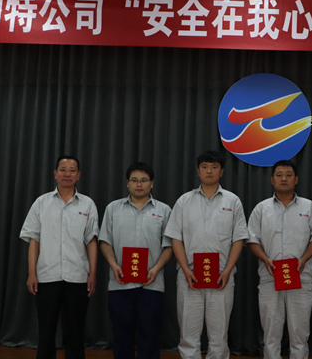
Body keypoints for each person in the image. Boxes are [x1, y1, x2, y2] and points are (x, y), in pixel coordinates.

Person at [164, 150, 248, 359]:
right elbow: (175, 238)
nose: (209, 171)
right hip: (189, 277)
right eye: (204, 166)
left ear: (222, 171)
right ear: (198, 171)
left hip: (221, 277)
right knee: (188, 336)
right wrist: (185, 269)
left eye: (214, 167)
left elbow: (238, 239)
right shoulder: (184, 201)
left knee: (219, 337)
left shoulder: (233, 201)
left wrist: (228, 270)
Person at [19, 155, 99, 359]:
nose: (67, 174)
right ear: (55, 174)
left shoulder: (88, 204)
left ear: (78, 175)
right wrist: (32, 273)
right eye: (63, 169)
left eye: (72, 170)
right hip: (47, 277)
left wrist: (92, 273)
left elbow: (91, 241)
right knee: (46, 332)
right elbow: (34, 240)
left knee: (76, 332)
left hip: (78, 277)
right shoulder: (41, 202)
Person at [247, 159, 312, 359]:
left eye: (288, 175)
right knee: (270, 335)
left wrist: (304, 259)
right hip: (270, 277)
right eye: (279, 175)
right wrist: (265, 258)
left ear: (296, 179)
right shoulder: (261, 208)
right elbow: (252, 240)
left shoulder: (308, 207)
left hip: (300, 277)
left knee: (300, 334)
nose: (284, 178)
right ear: (272, 179)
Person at [99, 162, 172, 359]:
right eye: (134, 180)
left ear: (152, 183)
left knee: (151, 335)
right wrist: (114, 265)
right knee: (121, 336)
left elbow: (169, 246)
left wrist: (156, 268)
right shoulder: (113, 208)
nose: (139, 184)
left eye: (144, 180)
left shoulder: (164, 210)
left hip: (152, 284)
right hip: (120, 283)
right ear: (127, 183)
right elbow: (104, 241)